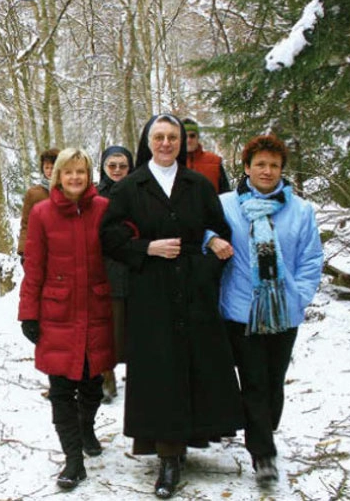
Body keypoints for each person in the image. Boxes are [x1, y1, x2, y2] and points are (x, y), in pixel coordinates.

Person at [100, 114, 243, 499]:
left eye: (172, 137)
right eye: (159, 137)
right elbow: (110, 238)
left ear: (182, 142)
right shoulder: (130, 186)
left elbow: (220, 230)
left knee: (195, 365)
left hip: (194, 290)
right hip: (151, 291)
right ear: (148, 141)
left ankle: (189, 442)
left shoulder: (197, 184)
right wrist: (146, 248)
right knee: (160, 372)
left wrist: (210, 253)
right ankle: (167, 457)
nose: (166, 143)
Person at [219, 134, 323, 484]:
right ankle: (263, 455)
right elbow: (203, 234)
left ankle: (262, 427)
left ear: (282, 170)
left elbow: (311, 259)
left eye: (274, 165)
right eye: (260, 164)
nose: (267, 171)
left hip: (283, 312)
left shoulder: (302, 210)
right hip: (242, 311)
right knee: (254, 382)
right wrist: (210, 240)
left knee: (274, 383)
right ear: (246, 167)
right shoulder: (226, 205)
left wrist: (300, 295)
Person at [18, 148, 116, 490]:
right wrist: (28, 313)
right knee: (61, 390)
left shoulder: (104, 209)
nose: (75, 178)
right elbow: (34, 267)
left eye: (81, 172)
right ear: (57, 176)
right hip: (56, 312)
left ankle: (86, 426)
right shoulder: (42, 213)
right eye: (68, 172)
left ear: (89, 176)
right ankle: (73, 460)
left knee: (92, 385)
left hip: (97, 310)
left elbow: (123, 246)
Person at [96, 146, 134, 403]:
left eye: (123, 165)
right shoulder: (95, 196)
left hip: (137, 269)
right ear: (104, 167)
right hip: (106, 270)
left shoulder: (140, 191)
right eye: (112, 166)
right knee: (108, 331)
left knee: (136, 331)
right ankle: (105, 378)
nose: (118, 170)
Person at [17, 148, 60, 261]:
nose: (50, 171)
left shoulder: (69, 191)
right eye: (47, 167)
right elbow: (26, 223)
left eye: (53, 167)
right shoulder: (33, 193)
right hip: (39, 247)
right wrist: (23, 250)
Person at [182, 117, 231, 194]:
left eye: (192, 136)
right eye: (185, 136)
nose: (188, 140)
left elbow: (225, 194)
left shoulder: (215, 162)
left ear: (198, 137)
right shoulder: (171, 163)